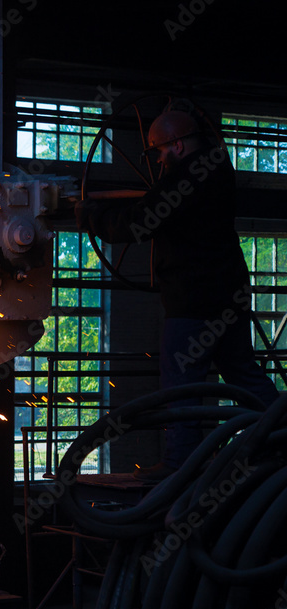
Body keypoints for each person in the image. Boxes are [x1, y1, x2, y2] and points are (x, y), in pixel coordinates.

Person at [76, 109, 279, 481]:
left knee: (181, 387)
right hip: (228, 299)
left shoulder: (186, 180)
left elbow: (142, 220)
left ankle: (180, 465)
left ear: (178, 145)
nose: (158, 160)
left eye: (159, 152)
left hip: (192, 303)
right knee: (244, 376)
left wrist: (91, 216)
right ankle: (279, 439)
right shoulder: (217, 170)